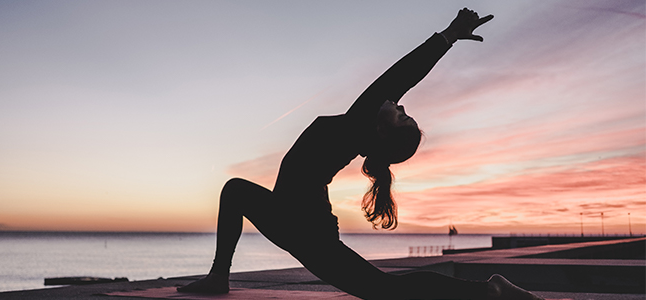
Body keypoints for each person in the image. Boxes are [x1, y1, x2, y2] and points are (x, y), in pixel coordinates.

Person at [179, 8, 544, 300]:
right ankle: (218, 276)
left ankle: (491, 291)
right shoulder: (359, 130)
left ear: (381, 130)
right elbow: (397, 84)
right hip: (292, 218)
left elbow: (400, 76)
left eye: (401, 113)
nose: (398, 105)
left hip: (304, 228)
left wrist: (447, 36)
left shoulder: (358, 124)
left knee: (383, 290)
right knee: (236, 190)